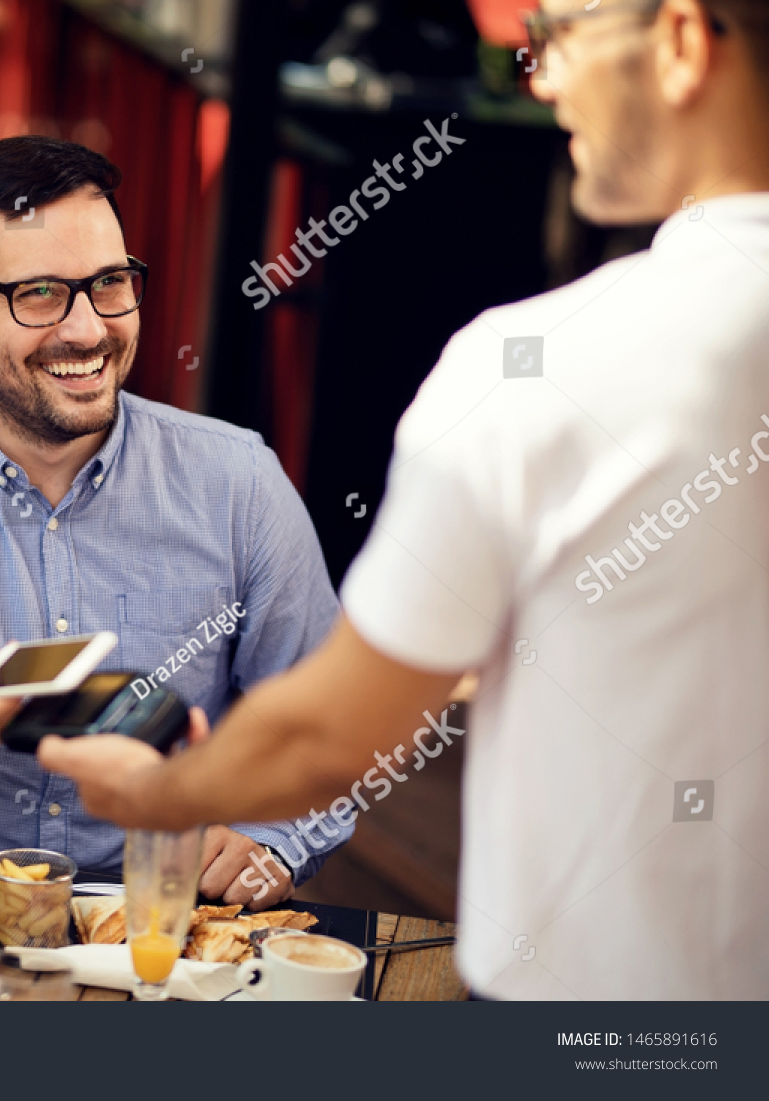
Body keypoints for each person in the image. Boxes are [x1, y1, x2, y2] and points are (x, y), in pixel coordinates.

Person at [40, 0, 769, 999]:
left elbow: (331, 735)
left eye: (554, 36)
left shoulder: (537, 369)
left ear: (682, 41)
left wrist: (163, 787)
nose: (540, 79)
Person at [0, 136, 344, 906]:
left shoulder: (237, 480)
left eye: (109, 283)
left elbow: (329, 724)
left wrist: (272, 837)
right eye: (39, 293)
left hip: (163, 929)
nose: (86, 330)